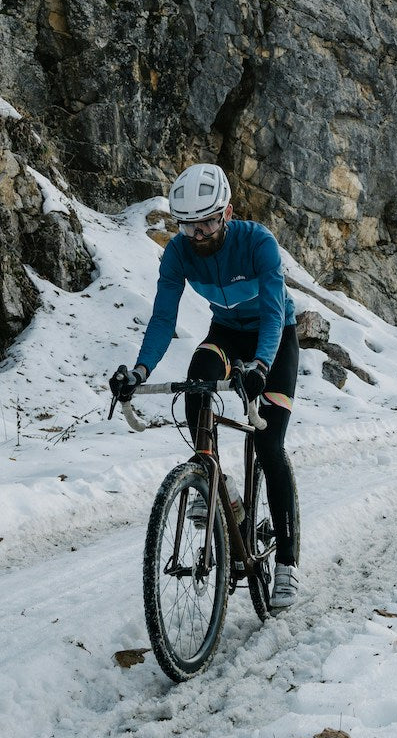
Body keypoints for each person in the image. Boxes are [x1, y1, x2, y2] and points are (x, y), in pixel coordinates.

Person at [124, 163, 300, 611]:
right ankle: (214, 481)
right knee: (196, 382)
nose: (198, 234)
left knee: (268, 444)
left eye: (207, 222)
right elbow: (163, 319)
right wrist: (140, 371)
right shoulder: (179, 253)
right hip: (225, 332)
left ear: (228, 213)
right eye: (188, 226)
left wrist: (260, 364)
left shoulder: (258, 242)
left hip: (274, 336)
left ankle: (286, 564)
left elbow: (275, 312)